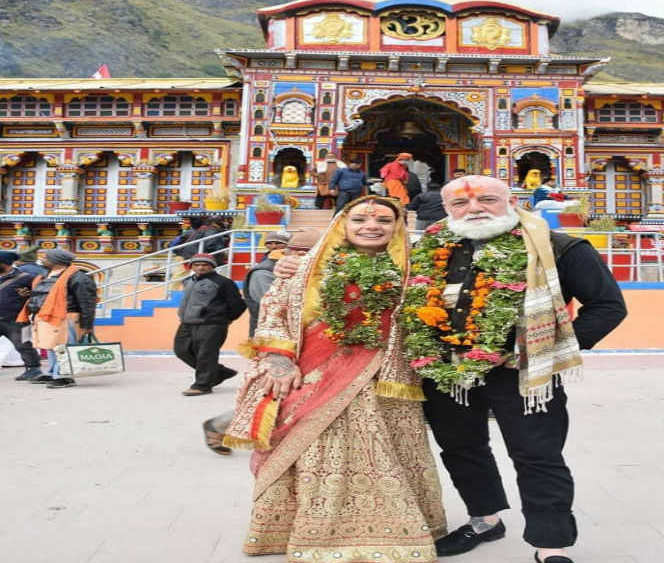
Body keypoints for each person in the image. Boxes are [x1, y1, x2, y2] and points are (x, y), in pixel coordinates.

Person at [274, 176, 627, 563]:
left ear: (511, 201)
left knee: (537, 454)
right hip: (443, 372)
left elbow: (608, 307)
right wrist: (297, 266)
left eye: (488, 199)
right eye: (460, 203)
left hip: (523, 373)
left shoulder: (560, 247)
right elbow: (362, 262)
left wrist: (543, 349)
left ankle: (551, 543)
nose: (474, 208)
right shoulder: (429, 248)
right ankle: (485, 520)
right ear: (446, 209)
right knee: (462, 448)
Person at [225, 197, 446, 559]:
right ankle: (309, 532)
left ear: (397, 227)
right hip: (316, 375)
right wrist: (280, 361)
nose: (371, 226)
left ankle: (398, 531)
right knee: (314, 453)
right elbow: (273, 312)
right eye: (359, 219)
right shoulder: (306, 268)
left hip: (387, 380)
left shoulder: (416, 270)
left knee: (387, 454)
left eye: (383, 221)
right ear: (343, 225)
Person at [202, 227, 323, 457]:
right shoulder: (265, 273)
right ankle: (219, 426)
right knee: (275, 396)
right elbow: (270, 305)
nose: (277, 249)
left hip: (307, 345)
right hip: (277, 344)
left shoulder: (311, 271)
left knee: (287, 396)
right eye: (274, 245)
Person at [16, 249, 98, 388]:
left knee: (62, 347)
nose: (42, 259)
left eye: (46, 257)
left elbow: (87, 302)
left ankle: (64, 377)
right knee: (50, 346)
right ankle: (54, 371)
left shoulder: (78, 278)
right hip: (46, 316)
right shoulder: (46, 274)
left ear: (56, 261)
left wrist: (87, 324)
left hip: (66, 317)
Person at [174, 253, 246, 396]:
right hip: (187, 322)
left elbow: (238, 304)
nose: (200, 267)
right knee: (181, 350)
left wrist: (227, 318)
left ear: (213, 267)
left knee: (206, 354)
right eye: (197, 265)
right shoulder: (188, 281)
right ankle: (220, 372)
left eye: (205, 265)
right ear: (191, 266)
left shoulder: (223, 282)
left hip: (211, 323)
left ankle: (203, 385)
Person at [242, 229, 318, 338]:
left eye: (278, 243)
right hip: (273, 338)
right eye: (270, 243)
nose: (273, 246)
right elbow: (274, 305)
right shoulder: (262, 272)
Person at [0, 251, 42, 377]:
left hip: (17, 319)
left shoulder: (27, 278)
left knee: (24, 345)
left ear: (5, 264)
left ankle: (33, 369)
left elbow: (39, 295)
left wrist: (29, 296)